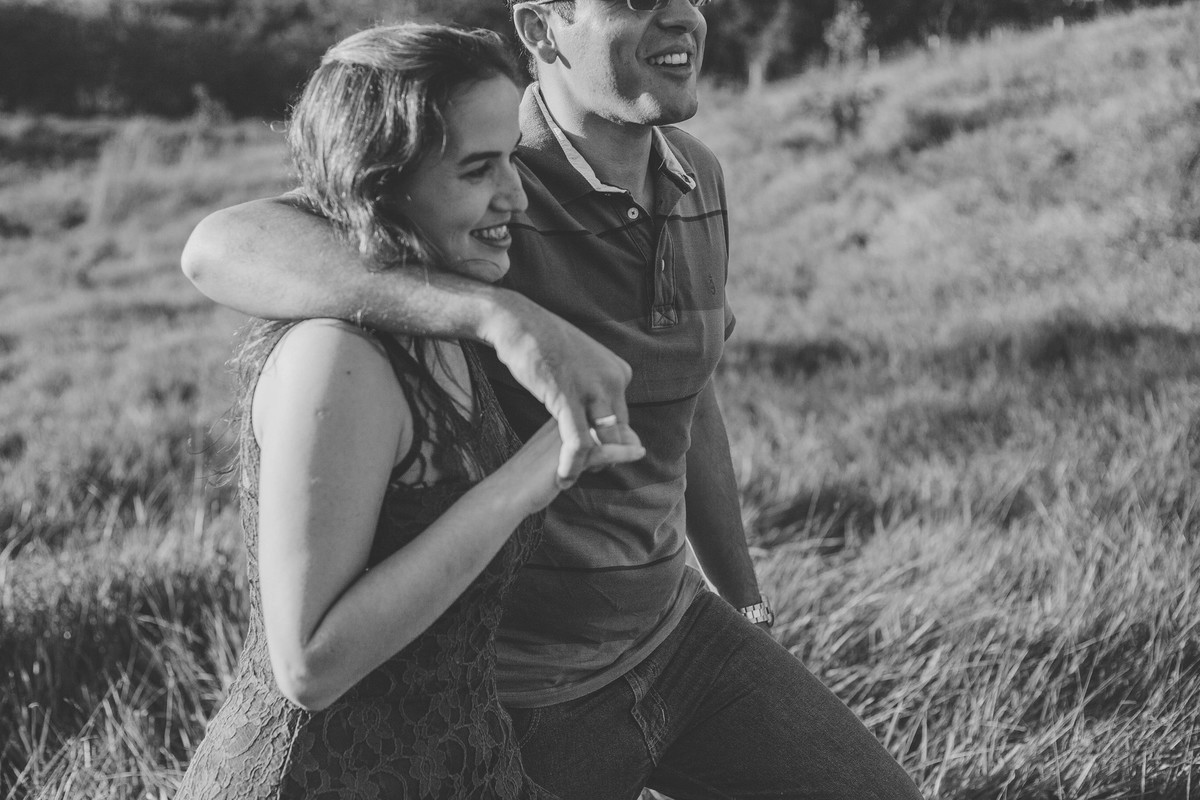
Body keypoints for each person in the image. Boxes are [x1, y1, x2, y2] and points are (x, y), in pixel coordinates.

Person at [183, 2, 926, 797]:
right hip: (518, 696)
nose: (682, 18)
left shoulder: (697, 176)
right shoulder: (464, 165)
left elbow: (687, 396)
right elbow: (220, 246)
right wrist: (504, 317)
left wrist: (746, 603)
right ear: (540, 29)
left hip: (676, 634)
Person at [174, 24, 643, 799]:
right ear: (383, 184)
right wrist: (532, 476)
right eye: (476, 170)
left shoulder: (446, 315)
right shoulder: (340, 360)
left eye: (513, 162)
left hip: (456, 765)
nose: (516, 197)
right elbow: (309, 666)